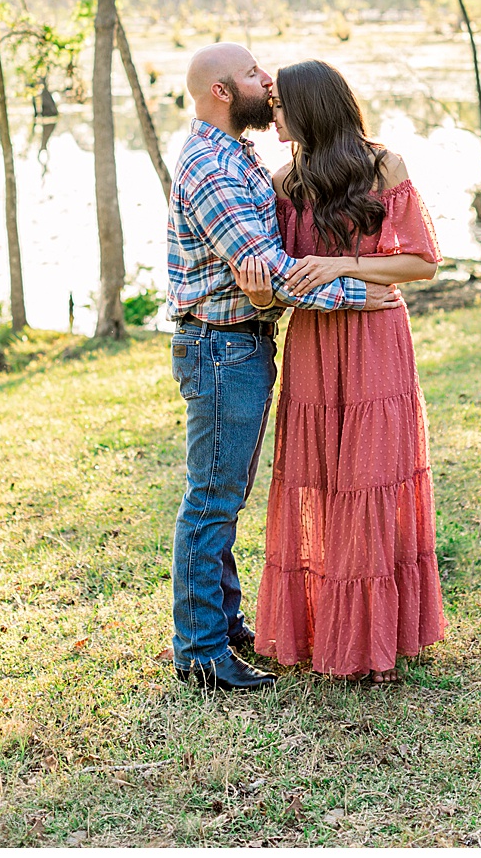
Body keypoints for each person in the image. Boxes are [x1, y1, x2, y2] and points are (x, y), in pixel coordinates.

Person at [167, 43, 406, 693]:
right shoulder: (212, 165)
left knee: (225, 496)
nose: (265, 80)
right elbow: (268, 270)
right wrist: (361, 291)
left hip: (243, 342)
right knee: (212, 501)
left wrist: (286, 288)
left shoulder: (240, 153)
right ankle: (199, 653)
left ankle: (222, 622)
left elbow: (269, 275)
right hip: (221, 347)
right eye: (250, 74)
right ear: (221, 91)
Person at [232, 58, 447, 683]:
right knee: (321, 480)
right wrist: (262, 292)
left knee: (372, 479)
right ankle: (327, 628)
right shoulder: (282, 182)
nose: (271, 115)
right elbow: (276, 284)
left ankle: (377, 638)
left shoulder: (385, 166)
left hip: (377, 338)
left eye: (279, 106)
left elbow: (421, 264)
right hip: (314, 346)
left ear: (310, 108)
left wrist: (339, 266)